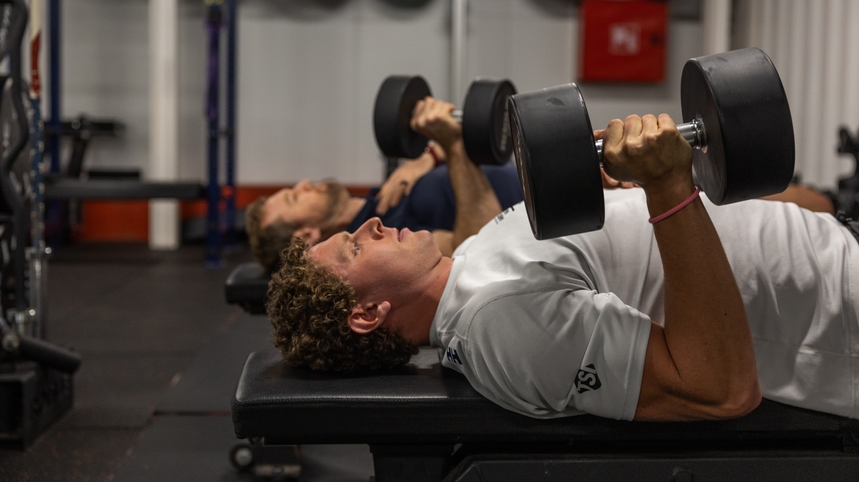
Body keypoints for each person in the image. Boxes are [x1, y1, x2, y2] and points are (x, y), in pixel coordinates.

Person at [267, 112, 859, 423]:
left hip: (834, 246)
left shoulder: (470, 265)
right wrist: (667, 187)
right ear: (368, 314)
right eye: (354, 248)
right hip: (843, 303)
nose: (370, 224)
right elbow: (719, 390)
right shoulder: (497, 324)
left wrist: (628, 193)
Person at [245, 97, 526, 272]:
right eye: (295, 197)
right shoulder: (382, 240)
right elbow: (480, 249)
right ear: (306, 235)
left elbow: (459, 150)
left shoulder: (382, 198)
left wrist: (428, 157)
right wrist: (451, 146)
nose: (304, 183)